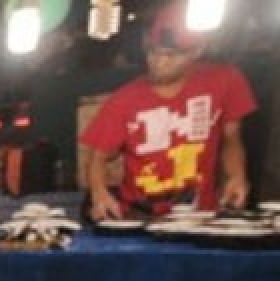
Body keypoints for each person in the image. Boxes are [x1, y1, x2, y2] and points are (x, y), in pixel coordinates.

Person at [82, 1, 258, 219]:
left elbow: (232, 136)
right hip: (140, 214)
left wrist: (237, 176)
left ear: (197, 51)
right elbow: (97, 157)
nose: (159, 62)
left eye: (171, 55)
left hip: (201, 216)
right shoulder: (124, 100)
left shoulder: (225, 80)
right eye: (153, 53)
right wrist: (100, 194)